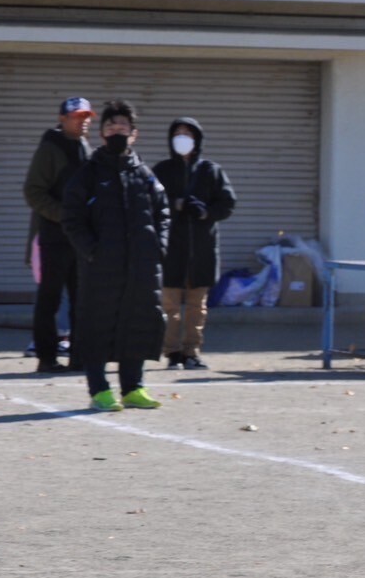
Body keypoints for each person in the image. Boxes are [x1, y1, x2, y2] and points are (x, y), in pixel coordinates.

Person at [60, 99, 170, 411]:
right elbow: (71, 218)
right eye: (110, 126)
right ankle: (99, 389)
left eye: (123, 125)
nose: (116, 130)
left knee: (138, 321)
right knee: (97, 324)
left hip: (142, 267)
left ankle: (133, 387)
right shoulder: (88, 174)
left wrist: (158, 247)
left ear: (134, 133)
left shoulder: (145, 175)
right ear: (102, 133)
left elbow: (163, 214)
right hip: (101, 268)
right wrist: (92, 251)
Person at [152, 116, 237, 371]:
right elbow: (149, 202)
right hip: (171, 249)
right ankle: (172, 352)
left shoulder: (211, 171)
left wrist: (205, 212)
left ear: (197, 139)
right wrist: (175, 205)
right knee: (169, 306)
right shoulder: (162, 171)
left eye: (187, 134)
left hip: (201, 250)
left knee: (196, 307)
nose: (182, 138)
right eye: (177, 133)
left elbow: (227, 203)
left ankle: (192, 352)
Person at [22, 96, 93, 374]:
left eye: (86, 117)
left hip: (80, 238)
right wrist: (63, 215)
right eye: (76, 116)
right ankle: (47, 357)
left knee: (81, 299)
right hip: (53, 237)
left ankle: (79, 356)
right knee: (49, 299)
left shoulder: (86, 147)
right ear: (62, 119)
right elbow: (33, 191)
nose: (82, 122)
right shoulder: (50, 148)